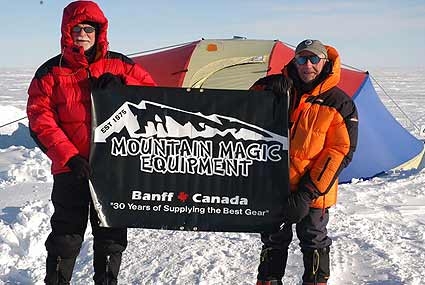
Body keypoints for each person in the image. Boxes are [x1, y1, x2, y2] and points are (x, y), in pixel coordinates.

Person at [26, 1, 156, 284]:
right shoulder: (50, 73)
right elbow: (40, 119)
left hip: (113, 169)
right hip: (71, 169)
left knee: (111, 235)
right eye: (77, 28)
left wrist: (123, 91)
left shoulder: (121, 65)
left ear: (99, 32)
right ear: (66, 32)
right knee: (66, 236)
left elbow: (153, 101)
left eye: (89, 28)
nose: (83, 33)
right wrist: (69, 157)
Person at [251, 39, 358, 284]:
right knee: (273, 240)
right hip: (275, 186)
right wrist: (262, 87)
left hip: (314, 192)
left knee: (314, 238)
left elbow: (340, 152)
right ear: (294, 61)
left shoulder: (339, 103)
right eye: (301, 59)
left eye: (313, 59)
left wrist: (307, 193)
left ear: (325, 63)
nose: (307, 65)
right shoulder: (283, 90)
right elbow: (245, 111)